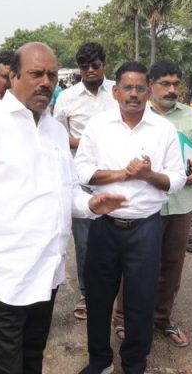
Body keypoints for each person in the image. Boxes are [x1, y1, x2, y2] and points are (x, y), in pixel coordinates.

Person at [0, 42, 126, 374]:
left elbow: (65, 193)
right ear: (13, 75)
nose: (46, 82)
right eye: (37, 73)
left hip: (44, 279)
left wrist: (92, 204)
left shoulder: (53, 129)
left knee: (31, 360)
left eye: (51, 74)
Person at [74, 61, 186, 374]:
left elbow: (176, 179)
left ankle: (134, 363)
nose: (133, 94)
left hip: (146, 228)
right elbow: (81, 170)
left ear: (149, 92)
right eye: (128, 88)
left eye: (140, 88)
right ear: (116, 91)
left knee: (140, 301)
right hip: (104, 225)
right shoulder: (98, 126)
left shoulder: (164, 130)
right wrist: (122, 174)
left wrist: (149, 174)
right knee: (98, 298)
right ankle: (100, 361)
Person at [111, 60, 192, 346]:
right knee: (134, 264)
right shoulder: (136, 116)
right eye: (165, 84)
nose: (172, 90)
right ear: (150, 87)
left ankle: (162, 318)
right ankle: (123, 318)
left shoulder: (191, 119)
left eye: (176, 84)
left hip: (179, 203)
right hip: (144, 205)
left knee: (171, 265)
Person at [54, 42, 117, 320]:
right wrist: (87, 143)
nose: (90, 71)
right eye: (84, 67)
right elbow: (56, 136)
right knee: (84, 242)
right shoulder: (67, 98)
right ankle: (86, 293)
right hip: (80, 179)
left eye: (95, 65)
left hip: (116, 176)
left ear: (104, 64)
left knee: (117, 238)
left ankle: (116, 296)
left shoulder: (118, 91)